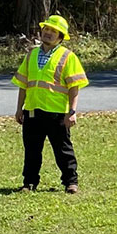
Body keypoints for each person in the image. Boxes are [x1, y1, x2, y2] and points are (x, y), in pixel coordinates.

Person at [12, 14, 88, 194]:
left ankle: (71, 182)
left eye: (54, 31)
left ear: (61, 37)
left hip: (56, 113)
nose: (48, 33)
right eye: (46, 29)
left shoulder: (68, 57)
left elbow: (74, 87)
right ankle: (29, 183)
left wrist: (72, 111)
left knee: (63, 150)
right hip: (32, 111)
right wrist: (19, 109)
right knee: (31, 151)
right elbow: (23, 84)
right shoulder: (31, 54)